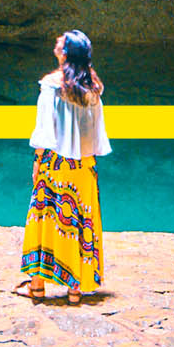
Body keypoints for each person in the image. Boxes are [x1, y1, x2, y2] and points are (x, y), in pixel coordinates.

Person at [20, 29, 109, 303]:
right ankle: (75, 288)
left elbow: (45, 129)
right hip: (84, 166)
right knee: (80, 220)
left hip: (56, 164)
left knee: (44, 219)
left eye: (60, 43)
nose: (55, 44)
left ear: (66, 53)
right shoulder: (92, 87)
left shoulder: (52, 86)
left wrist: (37, 161)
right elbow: (94, 132)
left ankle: (37, 286)